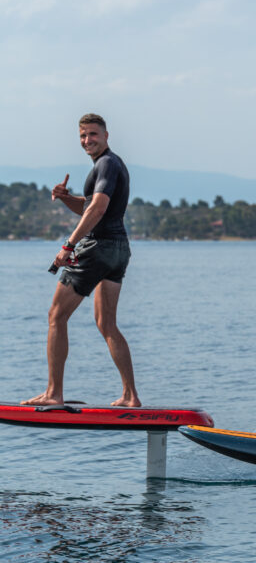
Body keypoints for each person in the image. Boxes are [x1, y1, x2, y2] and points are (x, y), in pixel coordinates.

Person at [22, 114, 141, 407]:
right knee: (106, 323)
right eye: (83, 136)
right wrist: (65, 198)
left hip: (97, 249)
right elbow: (90, 206)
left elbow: (97, 209)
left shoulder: (107, 163)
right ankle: (130, 396)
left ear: (106, 135)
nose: (87, 140)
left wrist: (69, 245)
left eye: (92, 134)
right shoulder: (109, 166)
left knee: (56, 316)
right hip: (118, 250)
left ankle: (53, 394)